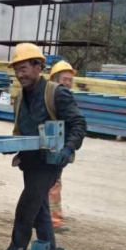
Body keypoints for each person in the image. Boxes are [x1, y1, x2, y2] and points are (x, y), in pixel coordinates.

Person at [4, 44, 86, 250]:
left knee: (26, 209)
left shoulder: (56, 93)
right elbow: (21, 130)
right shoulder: (20, 98)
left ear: (38, 67)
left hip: (49, 163)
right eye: (16, 70)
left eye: (23, 69)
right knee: (40, 212)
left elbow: (78, 123)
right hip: (29, 163)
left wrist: (69, 148)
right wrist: (11, 144)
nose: (20, 74)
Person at [47, 60, 77, 232]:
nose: (68, 83)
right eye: (65, 79)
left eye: (70, 80)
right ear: (55, 79)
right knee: (53, 183)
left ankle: (46, 218)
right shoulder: (50, 97)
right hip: (51, 146)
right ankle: (53, 221)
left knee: (52, 182)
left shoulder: (65, 99)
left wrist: (69, 147)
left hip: (60, 146)